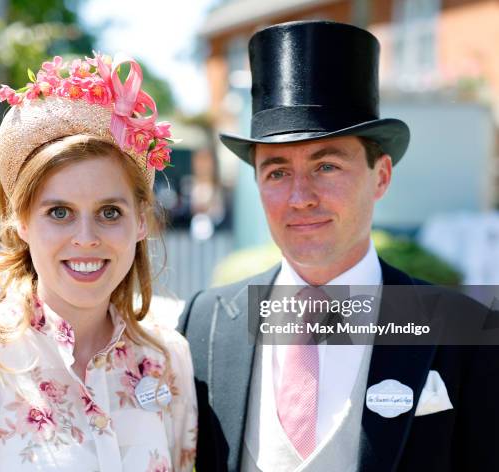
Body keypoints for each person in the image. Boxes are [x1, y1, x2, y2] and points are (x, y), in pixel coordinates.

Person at [178, 20, 499, 472]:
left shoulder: (465, 330)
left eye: (326, 166)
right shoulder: (205, 321)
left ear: (381, 176)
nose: (300, 196)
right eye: (276, 171)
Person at [0, 52, 197, 471]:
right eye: (59, 212)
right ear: (21, 223)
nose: (86, 239)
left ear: (141, 221)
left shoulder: (167, 361)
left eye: (109, 212)